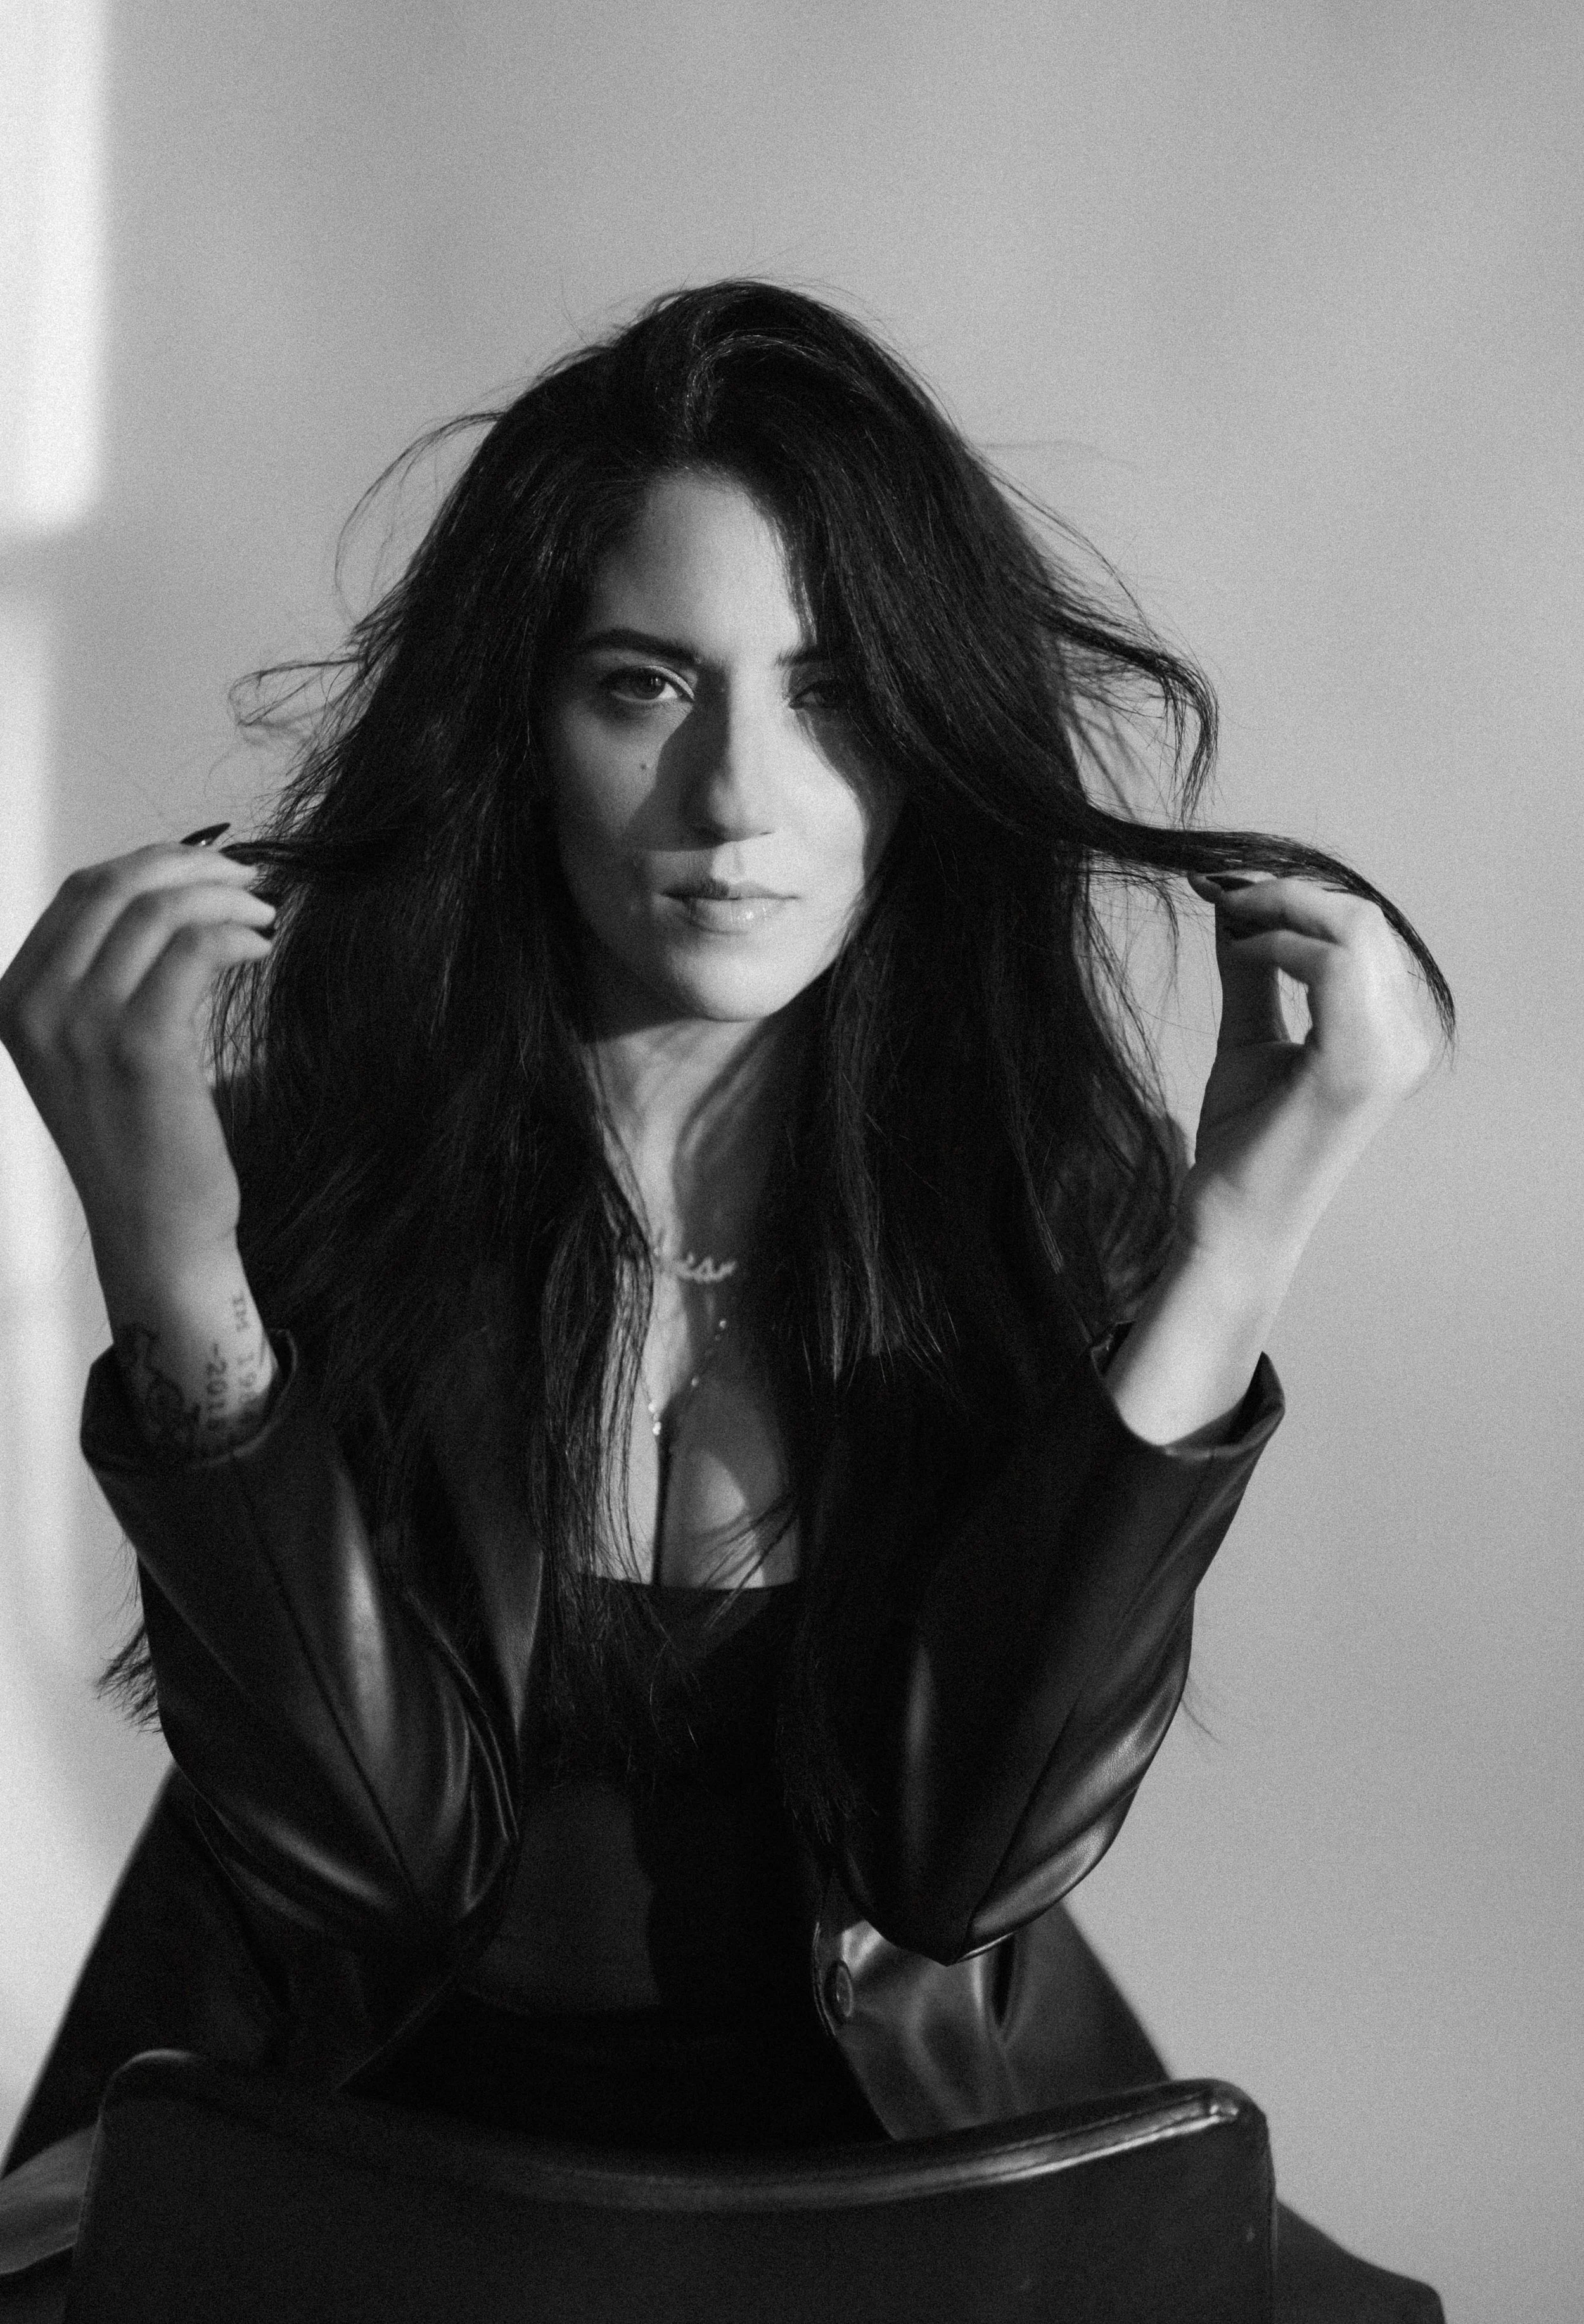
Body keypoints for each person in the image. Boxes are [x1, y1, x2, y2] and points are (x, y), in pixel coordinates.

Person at [0, 281, 1448, 2314]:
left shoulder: (1034, 1198)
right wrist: (167, 1263)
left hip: (897, 2168)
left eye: (832, 693)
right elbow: (371, 1880)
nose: (737, 803)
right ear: (516, 720)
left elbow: (960, 1863)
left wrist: (1236, 1233)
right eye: (642, 686)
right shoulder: (321, 1161)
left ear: (930, 739)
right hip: (350, 2139)